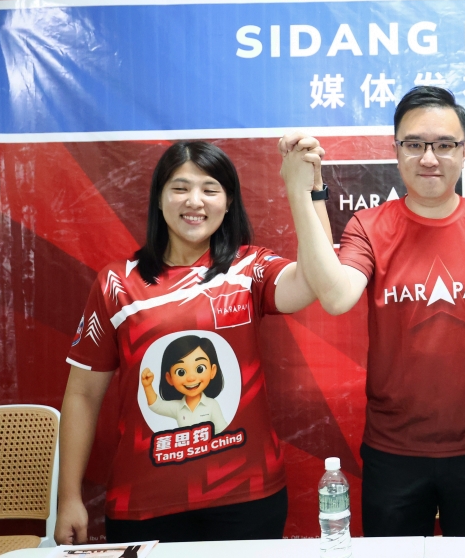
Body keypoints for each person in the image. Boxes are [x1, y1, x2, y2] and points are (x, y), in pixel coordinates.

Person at [279, 85, 465, 537]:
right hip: (392, 453)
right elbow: (337, 296)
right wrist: (299, 191)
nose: (429, 158)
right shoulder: (370, 225)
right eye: (415, 144)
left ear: (464, 150)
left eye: (444, 145)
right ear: (396, 149)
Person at [55, 140, 331, 544]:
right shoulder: (117, 283)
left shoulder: (249, 268)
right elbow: (81, 395)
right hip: (142, 504)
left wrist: (312, 189)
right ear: (160, 198)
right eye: (180, 188)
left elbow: (317, 279)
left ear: (228, 200)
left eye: (210, 189)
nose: (194, 201)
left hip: (247, 498)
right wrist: (68, 498)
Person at [141, 334, 228, 434]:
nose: (191, 378)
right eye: (181, 372)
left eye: (200, 369)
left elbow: (222, 430)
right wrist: (147, 386)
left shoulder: (212, 405)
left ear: (212, 371)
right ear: (169, 378)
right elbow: (157, 406)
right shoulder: (178, 407)